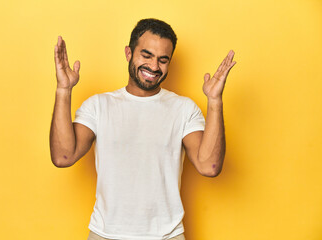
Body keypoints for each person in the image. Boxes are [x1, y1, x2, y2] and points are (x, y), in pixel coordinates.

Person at [50, 18, 236, 240]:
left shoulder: (184, 109)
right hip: (106, 234)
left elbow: (209, 166)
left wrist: (214, 101)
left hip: (167, 235)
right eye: (146, 55)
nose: (154, 67)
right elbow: (62, 156)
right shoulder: (99, 106)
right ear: (128, 53)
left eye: (163, 60)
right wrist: (63, 90)